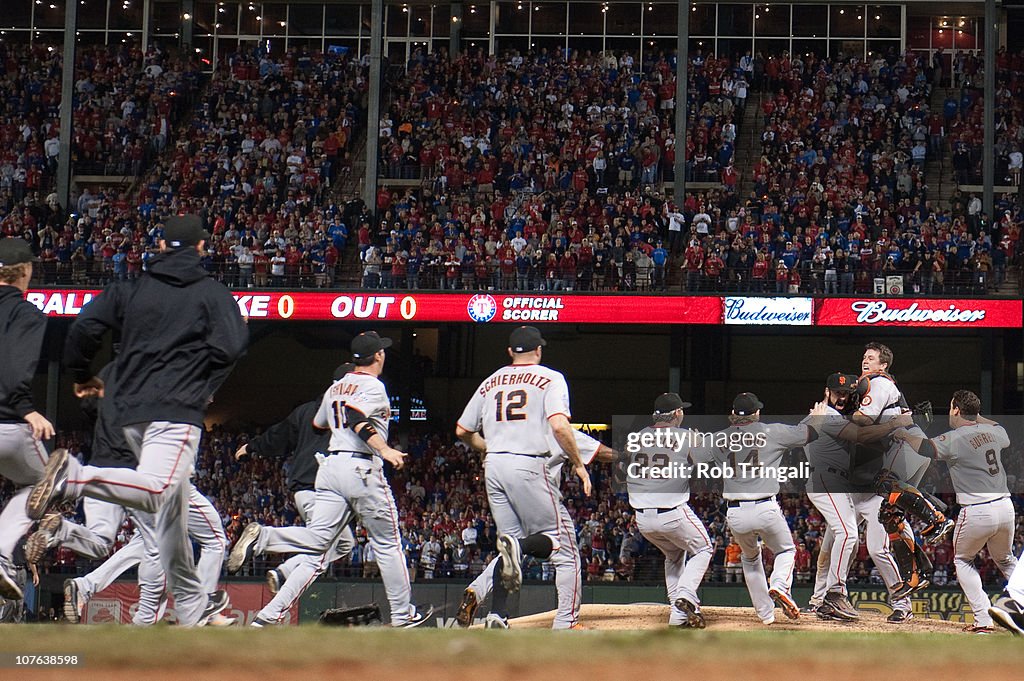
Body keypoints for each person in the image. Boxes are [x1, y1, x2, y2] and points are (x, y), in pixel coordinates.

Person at [30, 214, 248, 627]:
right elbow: (233, 346)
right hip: (175, 409)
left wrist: (81, 376)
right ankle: (72, 479)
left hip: (131, 413)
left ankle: (191, 612)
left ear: (162, 247)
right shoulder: (211, 293)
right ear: (202, 248)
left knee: (169, 520)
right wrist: (203, 381)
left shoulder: (129, 288)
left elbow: (84, 330)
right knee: (160, 493)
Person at [227, 332, 431, 628]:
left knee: (321, 539)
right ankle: (402, 614)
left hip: (329, 467)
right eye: (382, 351)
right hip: (360, 467)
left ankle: (264, 538)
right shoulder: (373, 385)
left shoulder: (335, 387)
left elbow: (319, 422)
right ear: (378, 356)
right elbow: (355, 417)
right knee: (387, 544)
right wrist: (385, 449)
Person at [455, 326, 592, 629]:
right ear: (539, 351)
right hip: (528, 465)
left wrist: (489, 447)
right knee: (566, 548)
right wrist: (578, 463)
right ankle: (566, 623)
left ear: (509, 352)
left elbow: (462, 431)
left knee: (513, 544)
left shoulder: (490, 381)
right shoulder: (550, 377)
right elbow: (559, 425)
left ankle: (495, 614)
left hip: (494, 466)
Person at [232, 363, 358, 625]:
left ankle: (284, 571)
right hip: (323, 491)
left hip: (305, 489)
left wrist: (252, 447)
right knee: (317, 559)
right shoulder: (348, 413)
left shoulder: (306, 410)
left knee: (346, 543)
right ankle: (268, 615)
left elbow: (278, 435)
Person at [456, 429, 614, 630]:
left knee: (514, 552)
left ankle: (476, 591)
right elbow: (600, 452)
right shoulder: (557, 428)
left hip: (510, 499)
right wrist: (628, 455)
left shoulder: (511, 429)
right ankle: (567, 621)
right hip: (541, 498)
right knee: (568, 558)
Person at [894, 391, 1016, 634]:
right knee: (1006, 560)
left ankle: (983, 621)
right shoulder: (994, 432)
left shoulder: (956, 438)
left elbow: (926, 449)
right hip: (1005, 507)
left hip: (977, 511)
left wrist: (904, 433)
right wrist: (977, 416)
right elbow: (1001, 428)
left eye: (951, 408)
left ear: (957, 410)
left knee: (962, 560)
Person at [802, 373, 915, 622]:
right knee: (833, 547)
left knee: (877, 550)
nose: (842, 397)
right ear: (827, 391)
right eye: (837, 392)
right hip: (843, 489)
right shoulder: (826, 416)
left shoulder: (861, 417)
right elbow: (859, 436)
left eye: (847, 393)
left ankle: (902, 604)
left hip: (873, 493)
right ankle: (822, 600)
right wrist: (896, 423)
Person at [853, 342, 952, 621]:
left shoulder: (878, 383)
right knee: (889, 514)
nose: (865, 361)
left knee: (885, 483)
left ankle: (937, 518)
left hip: (905, 441)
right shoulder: (875, 384)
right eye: (864, 357)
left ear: (883, 365)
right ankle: (914, 573)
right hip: (913, 443)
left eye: (871, 358)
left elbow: (863, 420)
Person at [705, 393, 819, 625]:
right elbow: (809, 433)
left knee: (750, 558)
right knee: (786, 551)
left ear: (734, 414)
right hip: (765, 506)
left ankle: (766, 615)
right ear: (756, 413)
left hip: (735, 512)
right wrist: (816, 417)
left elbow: (693, 455)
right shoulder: (772, 431)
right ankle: (779, 585)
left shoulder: (717, 439)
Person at [625, 393, 713, 628]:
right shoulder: (684, 436)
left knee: (674, 556)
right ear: (676, 414)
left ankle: (678, 615)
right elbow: (704, 463)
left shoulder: (638, 436)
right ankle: (685, 594)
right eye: (681, 410)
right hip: (671, 512)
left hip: (642, 519)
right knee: (704, 548)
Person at [0, 238, 55, 599]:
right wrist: (26, 407)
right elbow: (14, 366)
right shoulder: (26, 313)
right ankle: (2, 552)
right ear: (24, 271)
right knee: (50, 482)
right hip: (8, 426)